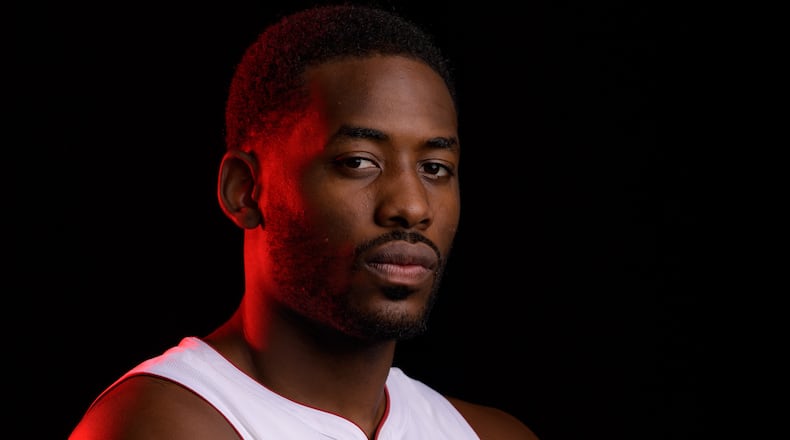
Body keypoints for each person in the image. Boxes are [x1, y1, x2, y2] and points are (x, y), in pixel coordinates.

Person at [69, 4, 539, 439]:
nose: (413, 207)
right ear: (245, 189)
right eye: (358, 162)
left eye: (435, 168)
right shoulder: (160, 423)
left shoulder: (489, 433)